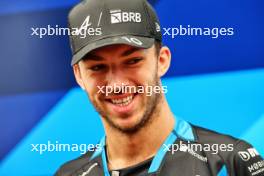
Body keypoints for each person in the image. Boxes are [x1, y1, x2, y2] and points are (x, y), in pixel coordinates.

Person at [55, 0, 263, 175]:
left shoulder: (228, 160)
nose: (117, 84)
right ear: (79, 75)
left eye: (133, 61)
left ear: (161, 60)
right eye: (98, 67)